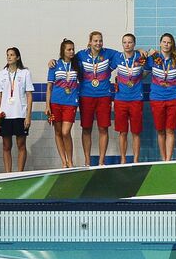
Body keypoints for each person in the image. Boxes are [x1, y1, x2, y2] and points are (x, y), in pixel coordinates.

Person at [76, 32, 121, 166]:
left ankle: (102, 161)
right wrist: (52, 62)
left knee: (103, 128)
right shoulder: (81, 55)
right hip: (86, 96)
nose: (98, 43)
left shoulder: (108, 53)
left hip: (104, 96)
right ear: (90, 42)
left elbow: (127, 53)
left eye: (100, 41)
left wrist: (140, 50)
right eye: (95, 41)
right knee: (86, 128)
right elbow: (66, 60)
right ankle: (87, 161)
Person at [0, 47, 33, 173]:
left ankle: (20, 173)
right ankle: (8, 174)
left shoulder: (25, 73)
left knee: (21, 145)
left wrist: (28, 116)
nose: (9, 57)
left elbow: (29, 95)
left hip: (20, 114)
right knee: (6, 146)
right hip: (5, 115)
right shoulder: (1, 74)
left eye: (12, 55)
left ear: (17, 57)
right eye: (8, 55)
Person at [112, 34, 148, 164]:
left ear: (134, 44)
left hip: (136, 99)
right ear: (122, 44)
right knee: (122, 132)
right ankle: (123, 159)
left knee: (136, 132)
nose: (127, 44)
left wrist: (140, 50)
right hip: (120, 99)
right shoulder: (117, 57)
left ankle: (136, 160)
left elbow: (151, 63)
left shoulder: (141, 57)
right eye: (125, 42)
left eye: (130, 42)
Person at [148, 35, 176, 162]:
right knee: (160, 130)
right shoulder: (153, 58)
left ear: (172, 44)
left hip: (173, 97)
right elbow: (143, 71)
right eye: (164, 42)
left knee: (170, 130)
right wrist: (145, 53)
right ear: (160, 43)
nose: (166, 44)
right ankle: (163, 159)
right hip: (157, 97)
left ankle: (168, 160)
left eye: (169, 42)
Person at [46, 40, 80, 169]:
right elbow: (49, 87)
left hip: (70, 103)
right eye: (69, 50)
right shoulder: (54, 65)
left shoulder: (77, 65)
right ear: (63, 51)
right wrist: (47, 105)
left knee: (66, 132)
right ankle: (64, 161)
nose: (71, 52)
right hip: (55, 102)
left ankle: (70, 160)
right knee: (58, 132)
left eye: (73, 49)